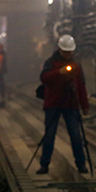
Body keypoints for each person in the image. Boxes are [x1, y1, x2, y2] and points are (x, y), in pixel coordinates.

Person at [37, 34, 90, 174]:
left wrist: (84, 105)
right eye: (65, 52)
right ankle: (44, 164)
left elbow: (81, 86)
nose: (67, 54)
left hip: (71, 104)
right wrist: (58, 72)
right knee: (49, 135)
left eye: (69, 52)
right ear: (60, 50)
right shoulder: (51, 63)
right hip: (53, 104)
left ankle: (81, 164)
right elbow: (44, 78)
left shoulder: (76, 65)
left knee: (76, 135)